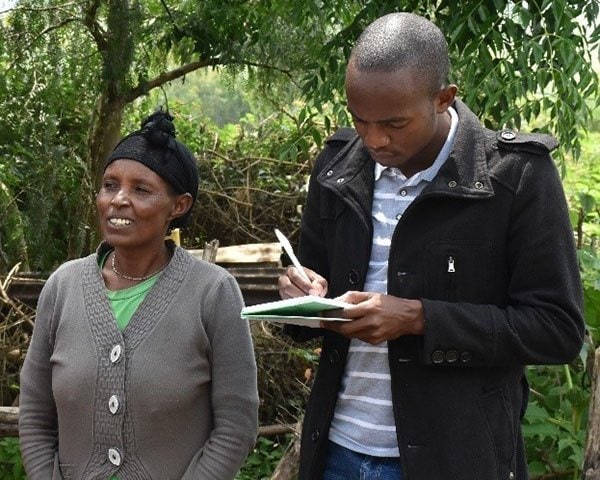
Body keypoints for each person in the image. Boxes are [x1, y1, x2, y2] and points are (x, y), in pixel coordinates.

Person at [278, 12, 585, 480]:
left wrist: (420, 318)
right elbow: (312, 303)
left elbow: (556, 329)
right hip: (336, 452)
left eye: (395, 124)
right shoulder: (338, 167)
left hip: (455, 457)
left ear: (444, 99)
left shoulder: (515, 177)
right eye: (359, 120)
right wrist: (300, 294)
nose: (375, 139)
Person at [19, 110, 259, 479]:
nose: (118, 200)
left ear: (178, 206)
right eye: (110, 185)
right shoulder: (63, 287)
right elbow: (35, 414)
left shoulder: (212, 293)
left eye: (141, 190)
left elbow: (236, 425)